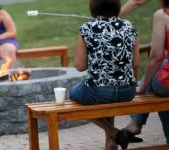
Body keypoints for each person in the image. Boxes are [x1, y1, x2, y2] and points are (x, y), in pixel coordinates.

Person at [68, 0, 140, 149]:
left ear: (93, 7)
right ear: (117, 6)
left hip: (98, 91)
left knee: (73, 94)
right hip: (127, 91)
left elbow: (80, 66)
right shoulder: (130, 27)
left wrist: (97, 61)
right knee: (107, 96)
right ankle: (111, 143)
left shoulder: (87, 28)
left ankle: (112, 131)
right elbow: (135, 63)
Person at [123, 0, 169, 145]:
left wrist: (142, 87)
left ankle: (136, 122)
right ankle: (135, 123)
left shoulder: (162, 15)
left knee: (159, 80)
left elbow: (155, 56)